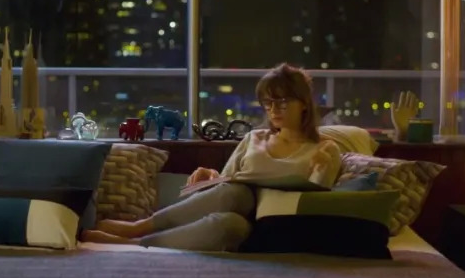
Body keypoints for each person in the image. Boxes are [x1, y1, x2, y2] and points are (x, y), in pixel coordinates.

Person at [82, 63, 342, 251]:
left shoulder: (324, 149)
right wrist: (211, 176)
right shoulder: (254, 139)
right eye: (267, 103)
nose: (273, 109)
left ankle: (136, 240)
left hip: (276, 226)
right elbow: (227, 183)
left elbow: (318, 206)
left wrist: (320, 170)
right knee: (232, 211)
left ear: (304, 103)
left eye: (282, 102)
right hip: (242, 222)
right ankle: (141, 229)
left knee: (238, 197)